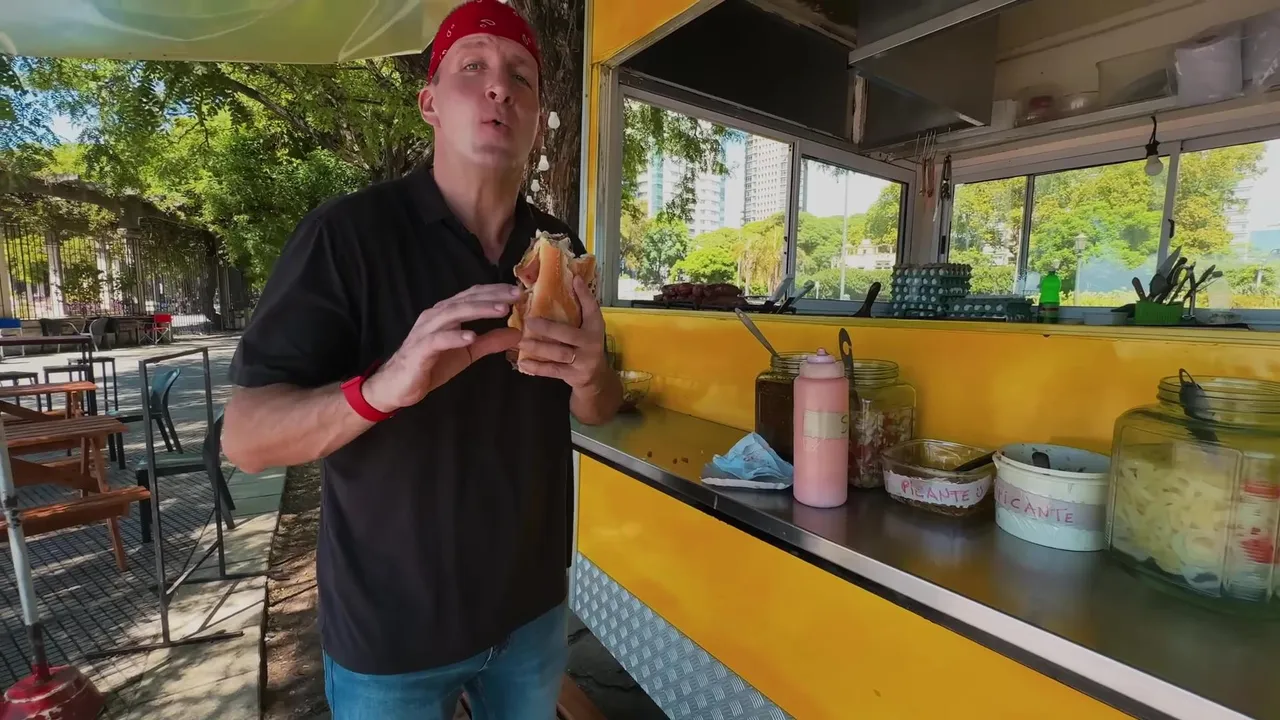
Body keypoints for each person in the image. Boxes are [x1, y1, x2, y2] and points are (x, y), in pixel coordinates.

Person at [221, 0, 623, 716]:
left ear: (536, 117)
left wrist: (593, 374)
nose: (499, 87)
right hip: (390, 635)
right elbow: (247, 439)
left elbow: (598, 409)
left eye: (521, 76)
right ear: (429, 103)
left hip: (531, 612)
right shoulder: (346, 236)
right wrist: (383, 388)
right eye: (473, 67)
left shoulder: (560, 253)